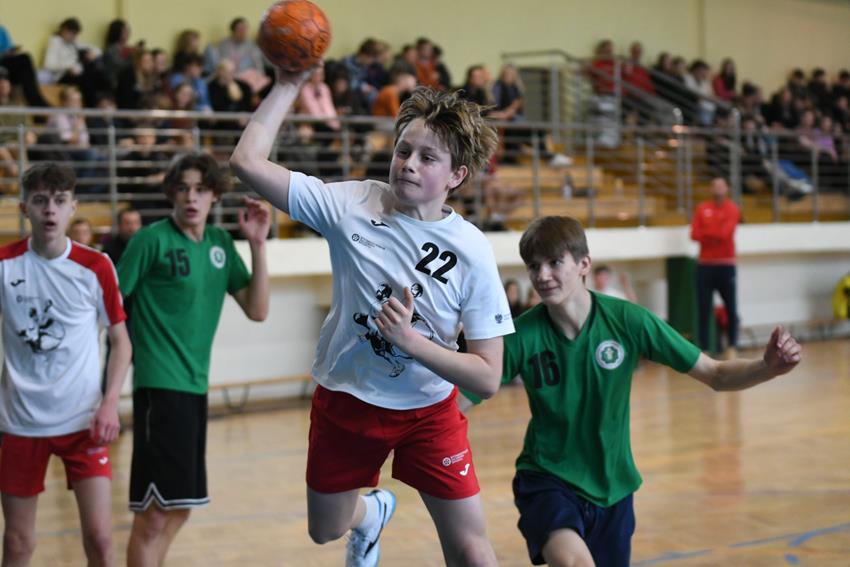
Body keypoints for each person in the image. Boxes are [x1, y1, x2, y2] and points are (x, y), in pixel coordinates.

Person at [231, 69, 514, 566]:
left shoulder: (472, 250)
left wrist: (411, 342)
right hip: (348, 398)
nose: (408, 164)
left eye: (427, 157)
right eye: (403, 150)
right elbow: (246, 163)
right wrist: (289, 85)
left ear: (456, 176)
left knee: (471, 548)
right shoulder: (351, 204)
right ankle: (371, 514)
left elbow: (488, 377)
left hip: (429, 411)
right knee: (325, 529)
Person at [463, 215, 802, 567]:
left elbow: (714, 373)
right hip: (547, 478)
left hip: (614, 489)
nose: (542, 275)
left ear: (584, 264)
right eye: (534, 266)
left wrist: (767, 367)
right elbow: (461, 400)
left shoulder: (627, 320)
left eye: (554, 262)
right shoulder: (520, 336)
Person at [118, 152, 270, 567]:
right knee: (154, 515)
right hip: (158, 387)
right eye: (183, 188)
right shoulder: (150, 240)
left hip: (194, 388)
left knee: (178, 508)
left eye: (201, 189)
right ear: (171, 193)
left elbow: (257, 310)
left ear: (215, 195)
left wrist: (258, 245)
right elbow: (108, 305)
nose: (191, 197)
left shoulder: (220, 244)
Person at [0, 163, 132, 566]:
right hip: (19, 423)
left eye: (59, 201)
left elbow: (121, 342)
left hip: (83, 421)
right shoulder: (4, 264)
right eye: (40, 201)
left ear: (73, 207)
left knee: (101, 541)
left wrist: (110, 402)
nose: (50, 210)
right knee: (18, 543)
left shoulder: (97, 266)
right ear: (24, 207)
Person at [690, 177, 741, 356]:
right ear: (711, 188)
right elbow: (694, 234)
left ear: (727, 188)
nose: (718, 188)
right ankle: (704, 348)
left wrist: (707, 232)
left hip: (726, 265)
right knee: (704, 308)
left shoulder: (732, 209)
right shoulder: (702, 208)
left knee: (731, 307)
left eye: (721, 185)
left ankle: (732, 346)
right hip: (705, 265)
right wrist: (714, 232)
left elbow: (725, 234)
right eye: (715, 185)